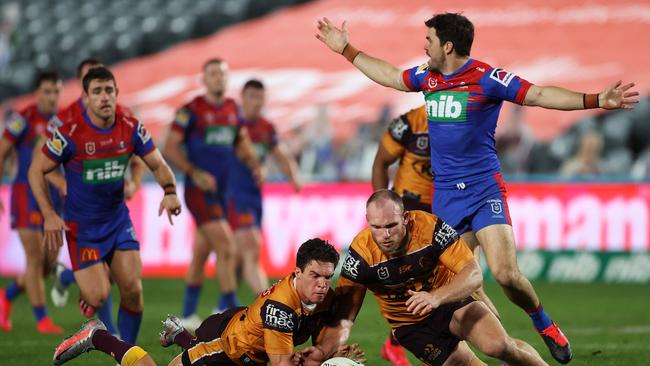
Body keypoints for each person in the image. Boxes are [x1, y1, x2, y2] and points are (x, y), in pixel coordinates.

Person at [316, 12, 639, 363]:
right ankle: (504, 348)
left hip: (483, 189)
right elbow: (392, 76)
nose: (424, 46)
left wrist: (595, 100)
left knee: (505, 273)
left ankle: (543, 323)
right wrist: (345, 49)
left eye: (429, 40)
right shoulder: (428, 77)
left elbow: (539, 94)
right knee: (466, 284)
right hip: (447, 197)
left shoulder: (487, 78)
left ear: (448, 45)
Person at [296, 190, 548, 366]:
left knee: (498, 346)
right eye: (376, 228)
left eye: (391, 226)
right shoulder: (361, 256)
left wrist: (436, 297)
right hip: (410, 327)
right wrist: (323, 350)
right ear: (367, 223)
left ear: (405, 218)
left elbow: (473, 273)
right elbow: (344, 317)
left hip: (450, 302)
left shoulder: (429, 229)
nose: (384, 235)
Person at [28, 66, 182, 345]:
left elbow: (157, 164)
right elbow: (36, 169)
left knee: (133, 290)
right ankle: (81, 288)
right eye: (97, 91)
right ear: (85, 97)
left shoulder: (131, 127)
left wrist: (169, 190)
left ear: (117, 93)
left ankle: (127, 353)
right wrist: (49, 214)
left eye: (109, 90)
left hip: (117, 221)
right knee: (98, 295)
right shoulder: (70, 133)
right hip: (82, 228)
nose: (104, 97)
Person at [52, 238, 345, 366]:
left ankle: (181, 336)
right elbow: (281, 363)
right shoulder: (281, 308)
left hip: (243, 337)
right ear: (297, 272)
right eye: (314, 275)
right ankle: (98, 336)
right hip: (225, 351)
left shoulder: (324, 297)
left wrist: (326, 353)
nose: (321, 284)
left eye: (327, 277)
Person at [372, 105, 501, 366]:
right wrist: (381, 206)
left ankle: (500, 346)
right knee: (412, 283)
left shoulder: (466, 121)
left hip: (447, 210)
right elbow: (381, 161)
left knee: (467, 281)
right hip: (409, 210)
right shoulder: (408, 124)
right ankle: (412, 345)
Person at [48, 57, 146, 336]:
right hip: (81, 209)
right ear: (83, 88)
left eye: (107, 87)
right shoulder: (65, 120)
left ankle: (66, 276)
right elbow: (42, 164)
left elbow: (141, 158)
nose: (103, 94)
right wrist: (62, 184)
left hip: (113, 208)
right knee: (99, 280)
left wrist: (134, 182)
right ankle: (110, 328)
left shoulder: (123, 116)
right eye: (93, 84)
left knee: (121, 276)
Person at [164, 58, 262, 329]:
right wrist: (194, 173)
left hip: (223, 192)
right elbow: (169, 147)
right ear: (204, 79)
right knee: (228, 247)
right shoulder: (192, 110)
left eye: (222, 73)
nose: (218, 78)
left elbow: (241, 142)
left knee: (201, 253)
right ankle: (228, 313)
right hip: (199, 192)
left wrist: (254, 164)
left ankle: (186, 315)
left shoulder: (232, 110)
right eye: (213, 73)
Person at [0, 70, 65, 334]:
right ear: (37, 93)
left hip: (53, 199)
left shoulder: (63, 122)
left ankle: (7, 296)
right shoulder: (23, 119)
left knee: (48, 262)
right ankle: (42, 320)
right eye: (47, 91)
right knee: (35, 257)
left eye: (56, 91)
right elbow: (2, 151)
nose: (52, 97)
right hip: (25, 195)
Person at [229, 78, 302, 296]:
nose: (256, 102)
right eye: (252, 97)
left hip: (253, 197)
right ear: (242, 98)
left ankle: (224, 304)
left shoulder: (265, 128)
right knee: (251, 249)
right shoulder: (232, 125)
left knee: (241, 257)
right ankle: (268, 301)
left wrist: (294, 177)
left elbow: (282, 154)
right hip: (233, 195)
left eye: (260, 97)